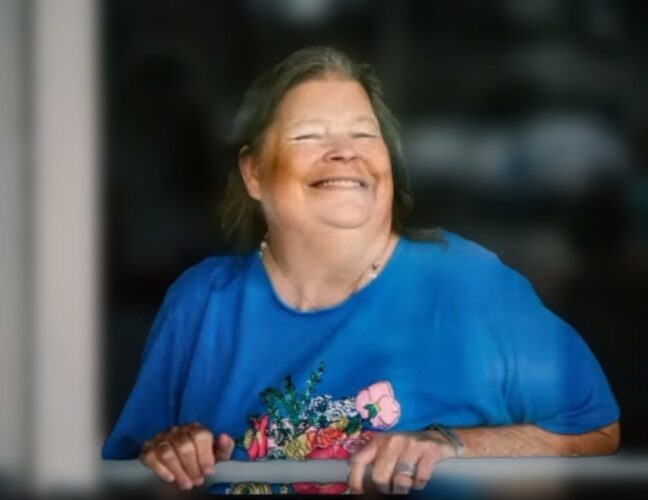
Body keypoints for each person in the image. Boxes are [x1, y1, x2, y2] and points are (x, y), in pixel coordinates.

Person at [102, 46, 620, 495]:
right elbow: (134, 477)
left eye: (363, 134)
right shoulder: (203, 303)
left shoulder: (468, 286)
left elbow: (595, 430)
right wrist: (171, 457)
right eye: (308, 135)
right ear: (254, 172)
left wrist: (453, 445)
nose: (345, 152)